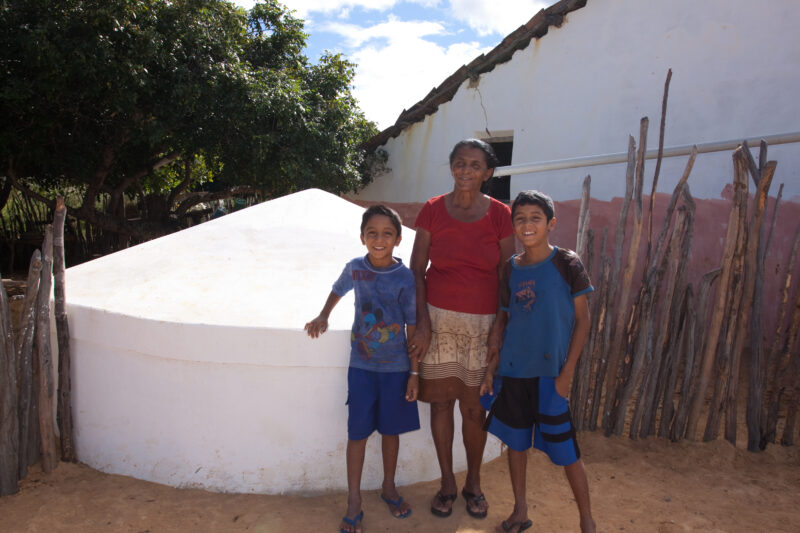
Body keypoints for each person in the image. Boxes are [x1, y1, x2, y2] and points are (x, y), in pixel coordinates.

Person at [408, 139, 515, 519]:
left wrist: (499, 327)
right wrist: (422, 323)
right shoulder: (433, 210)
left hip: (481, 326)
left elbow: (507, 276)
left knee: (473, 409)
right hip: (437, 322)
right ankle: (447, 483)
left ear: (488, 172)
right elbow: (416, 269)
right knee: (440, 403)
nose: (465, 170)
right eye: (459, 163)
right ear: (451, 167)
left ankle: (473, 483)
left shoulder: (500, 214)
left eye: (474, 164)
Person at [480, 190, 597, 533]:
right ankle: (520, 512)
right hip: (514, 373)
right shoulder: (510, 269)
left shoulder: (567, 263)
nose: (527, 225)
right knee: (516, 445)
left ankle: (587, 521)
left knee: (567, 452)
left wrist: (566, 374)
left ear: (551, 224)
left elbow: (584, 321)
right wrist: (491, 370)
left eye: (535, 218)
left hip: (550, 376)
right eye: (520, 219)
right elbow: (503, 321)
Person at [305, 205, 420, 533]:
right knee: (356, 434)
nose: (379, 239)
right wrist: (323, 315)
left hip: (396, 370)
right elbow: (337, 289)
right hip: (362, 368)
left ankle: (388, 487)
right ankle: (353, 499)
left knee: (390, 432)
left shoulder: (404, 277)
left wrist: (414, 373)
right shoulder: (356, 268)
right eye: (372, 233)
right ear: (362, 237)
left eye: (387, 234)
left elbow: (412, 326)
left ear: (398, 239)